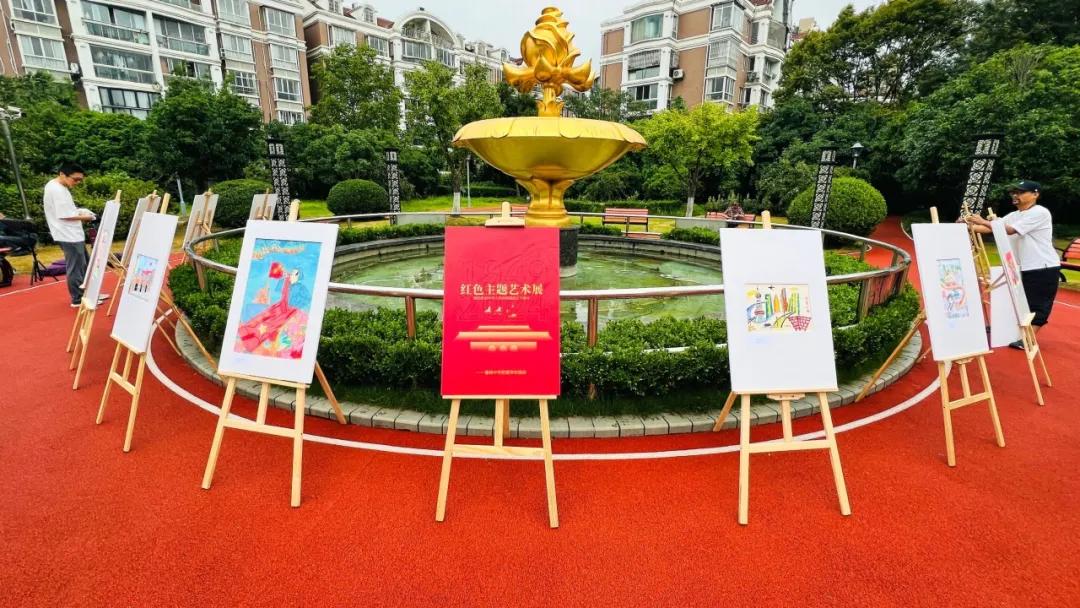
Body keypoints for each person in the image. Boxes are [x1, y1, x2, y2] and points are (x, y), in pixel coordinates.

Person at [965, 180, 1060, 349]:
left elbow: (1009, 230)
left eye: (1021, 192)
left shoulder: (1040, 212)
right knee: (1019, 300)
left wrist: (982, 220)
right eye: (1014, 192)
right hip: (1021, 266)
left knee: (1038, 303)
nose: (1015, 195)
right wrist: (968, 225)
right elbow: (989, 229)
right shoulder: (1014, 215)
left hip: (1043, 265)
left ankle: (1029, 339)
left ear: (1035, 194)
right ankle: (1010, 331)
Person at [42, 163, 96, 308]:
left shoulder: (59, 186)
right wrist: (87, 217)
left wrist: (81, 211)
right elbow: (64, 214)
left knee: (84, 264)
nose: (77, 182)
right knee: (76, 267)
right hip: (67, 235)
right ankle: (78, 299)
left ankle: (88, 294)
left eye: (80, 180)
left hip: (72, 234)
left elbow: (68, 210)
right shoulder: (56, 189)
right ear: (62, 174)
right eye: (75, 179)